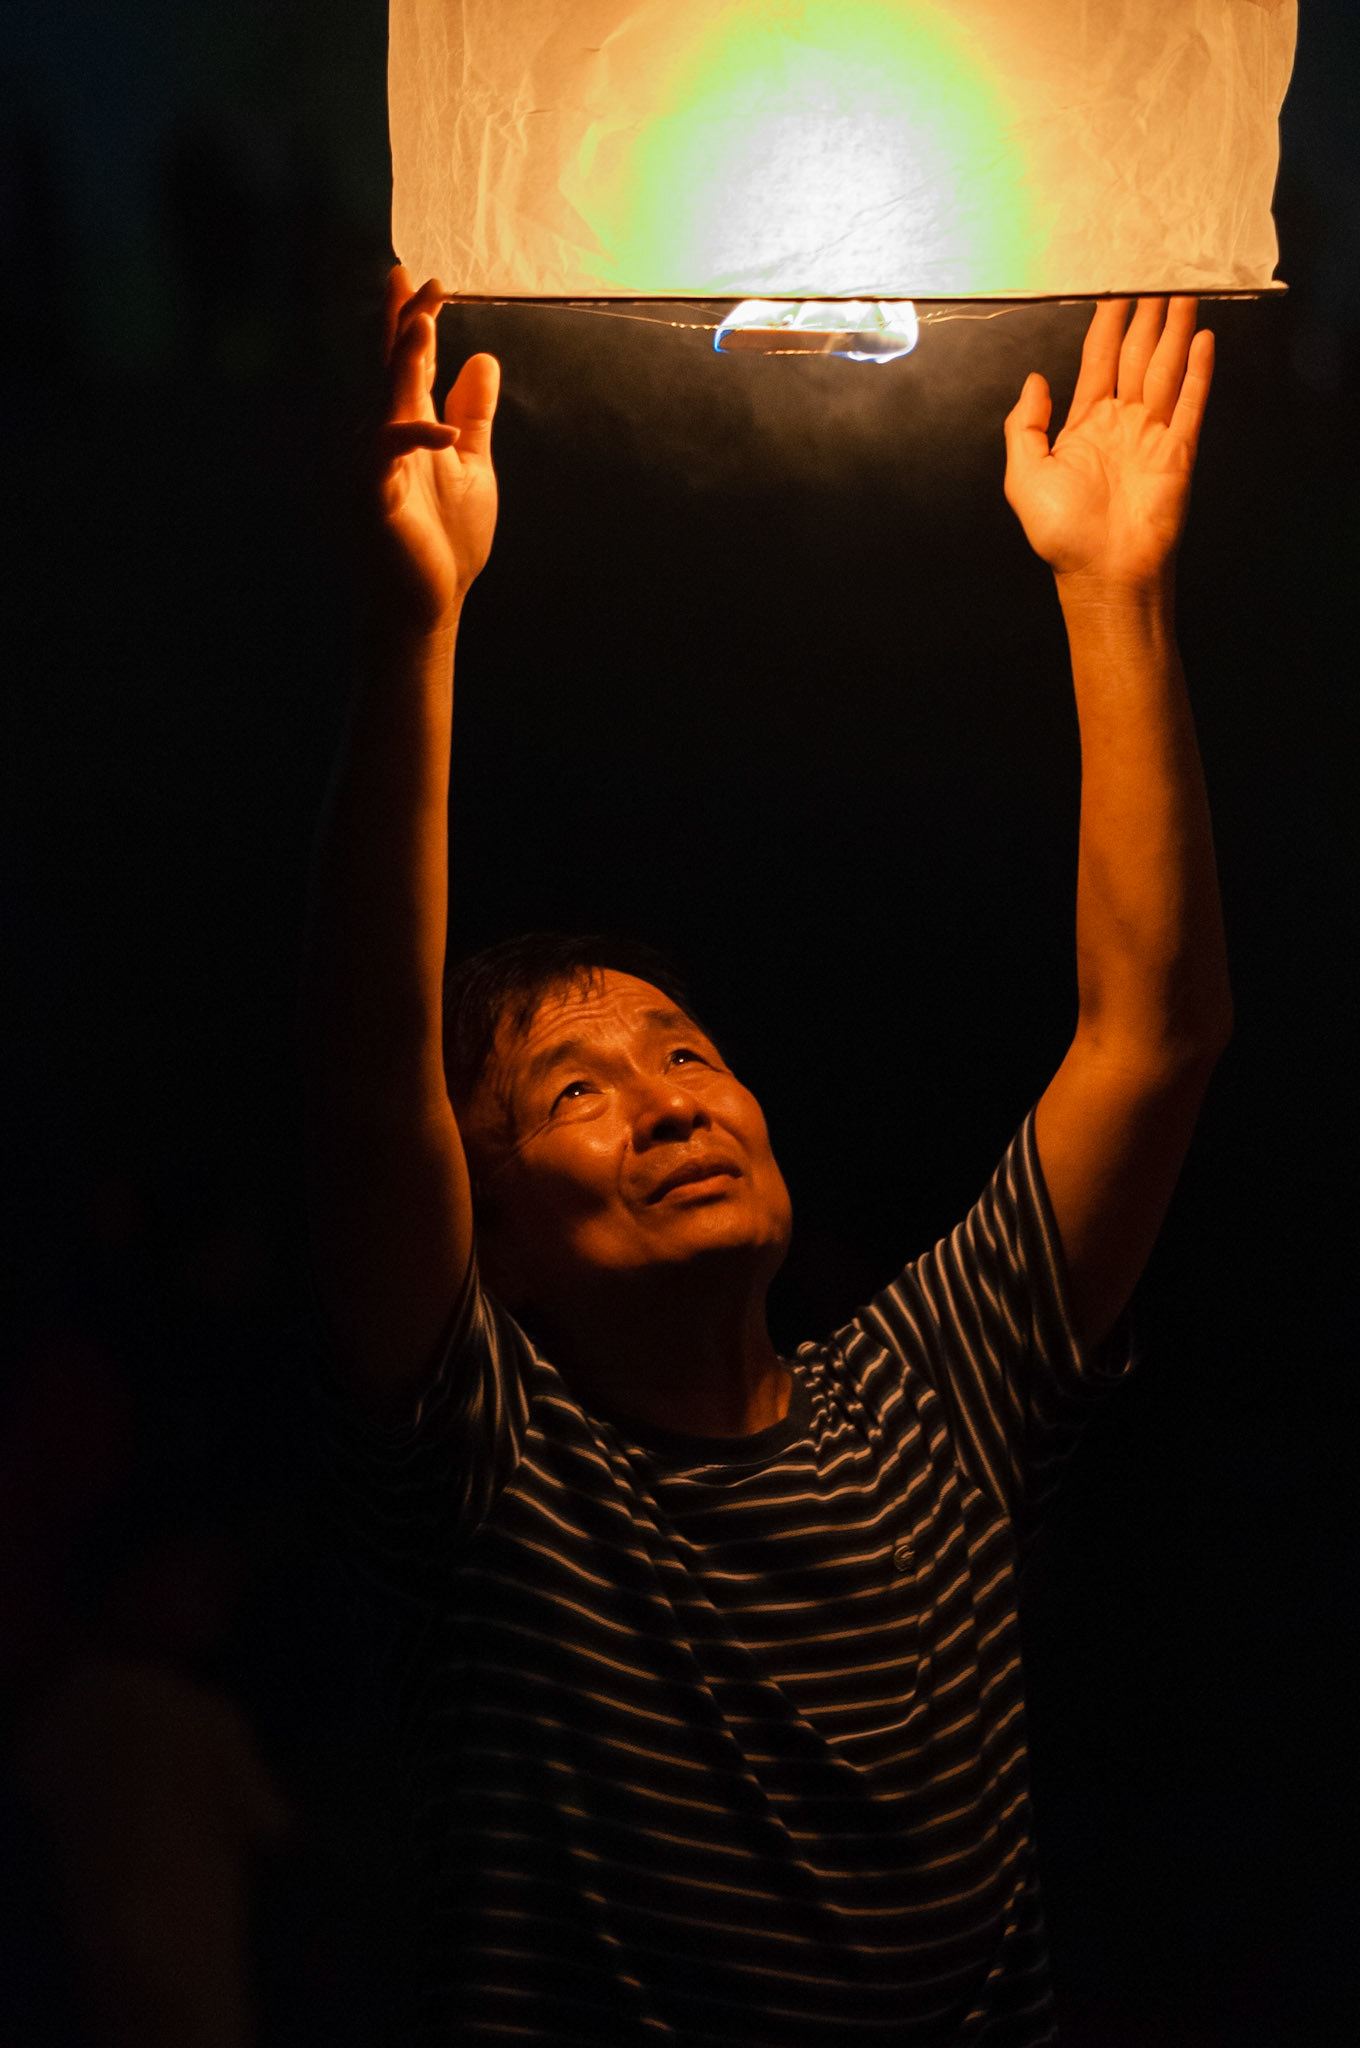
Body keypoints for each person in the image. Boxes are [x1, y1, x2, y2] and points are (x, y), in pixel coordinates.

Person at [301, 270, 1231, 2045]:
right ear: (476, 1234)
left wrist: (1114, 594)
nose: (666, 1101)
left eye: (684, 1054)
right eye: (571, 1096)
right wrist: (414, 628)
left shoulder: (931, 1408)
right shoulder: (497, 1476)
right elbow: (365, 1105)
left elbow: (1153, 1039)